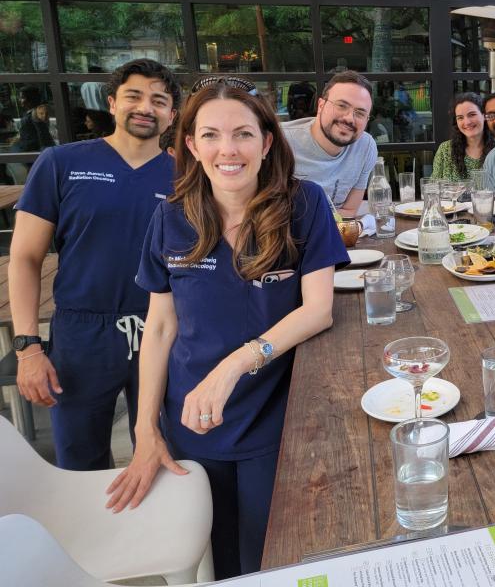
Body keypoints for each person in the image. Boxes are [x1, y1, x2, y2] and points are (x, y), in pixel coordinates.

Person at [105, 78, 346, 578]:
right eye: (210, 135)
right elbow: (161, 328)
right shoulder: (170, 217)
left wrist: (235, 364)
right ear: (191, 145)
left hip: (275, 420)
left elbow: (319, 308)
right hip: (193, 423)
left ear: (267, 141)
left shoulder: (305, 205)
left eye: (242, 134)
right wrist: (145, 431)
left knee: (271, 557)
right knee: (216, 561)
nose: (227, 150)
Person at [10, 59, 182, 470]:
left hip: (164, 331)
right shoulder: (61, 163)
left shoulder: (187, 176)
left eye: (159, 100)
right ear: (111, 103)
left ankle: (153, 535)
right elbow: (24, 258)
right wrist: (27, 347)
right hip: (81, 334)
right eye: (134, 96)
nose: (146, 107)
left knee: (165, 454)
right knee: (79, 460)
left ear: (172, 114)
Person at [281, 69, 377, 217]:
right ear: (321, 106)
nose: (350, 118)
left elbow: (349, 211)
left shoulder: (365, 147)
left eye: (360, 113)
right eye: (342, 106)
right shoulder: (281, 141)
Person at [431, 92, 495, 182]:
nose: (467, 122)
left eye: (472, 115)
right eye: (460, 117)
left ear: (484, 116)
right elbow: (434, 187)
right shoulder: (445, 150)